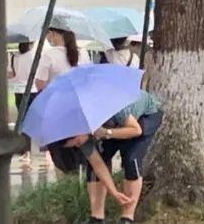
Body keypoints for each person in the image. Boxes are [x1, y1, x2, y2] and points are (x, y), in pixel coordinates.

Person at [56, 90, 162, 224]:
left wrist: (106, 133)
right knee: (96, 162)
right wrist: (114, 192)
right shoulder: (82, 138)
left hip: (145, 117)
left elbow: (136, 130)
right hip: (111, 127)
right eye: (75, 145)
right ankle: (97, 218)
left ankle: (127, 217)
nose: (79, 145)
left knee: (131, 158)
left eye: (77, 141)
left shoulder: (110, 106)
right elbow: (98, 165)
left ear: (77, 130)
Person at [9, 42, 37, 166]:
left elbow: (10, 74)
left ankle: (26, 152)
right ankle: (47, 152)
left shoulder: (14, 57)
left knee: (23, 121)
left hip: (19, 91)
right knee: (34, 121)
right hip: (33, 90)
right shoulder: (34, 56)